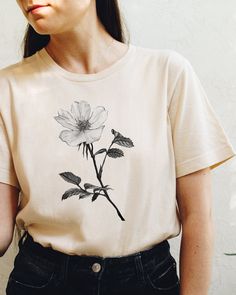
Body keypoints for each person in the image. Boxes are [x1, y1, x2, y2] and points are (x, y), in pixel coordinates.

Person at [0, 0, 235, 294]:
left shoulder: (167, 73)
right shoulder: (7, 87)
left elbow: (198, 215)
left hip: (147, 280)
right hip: (42, 280)